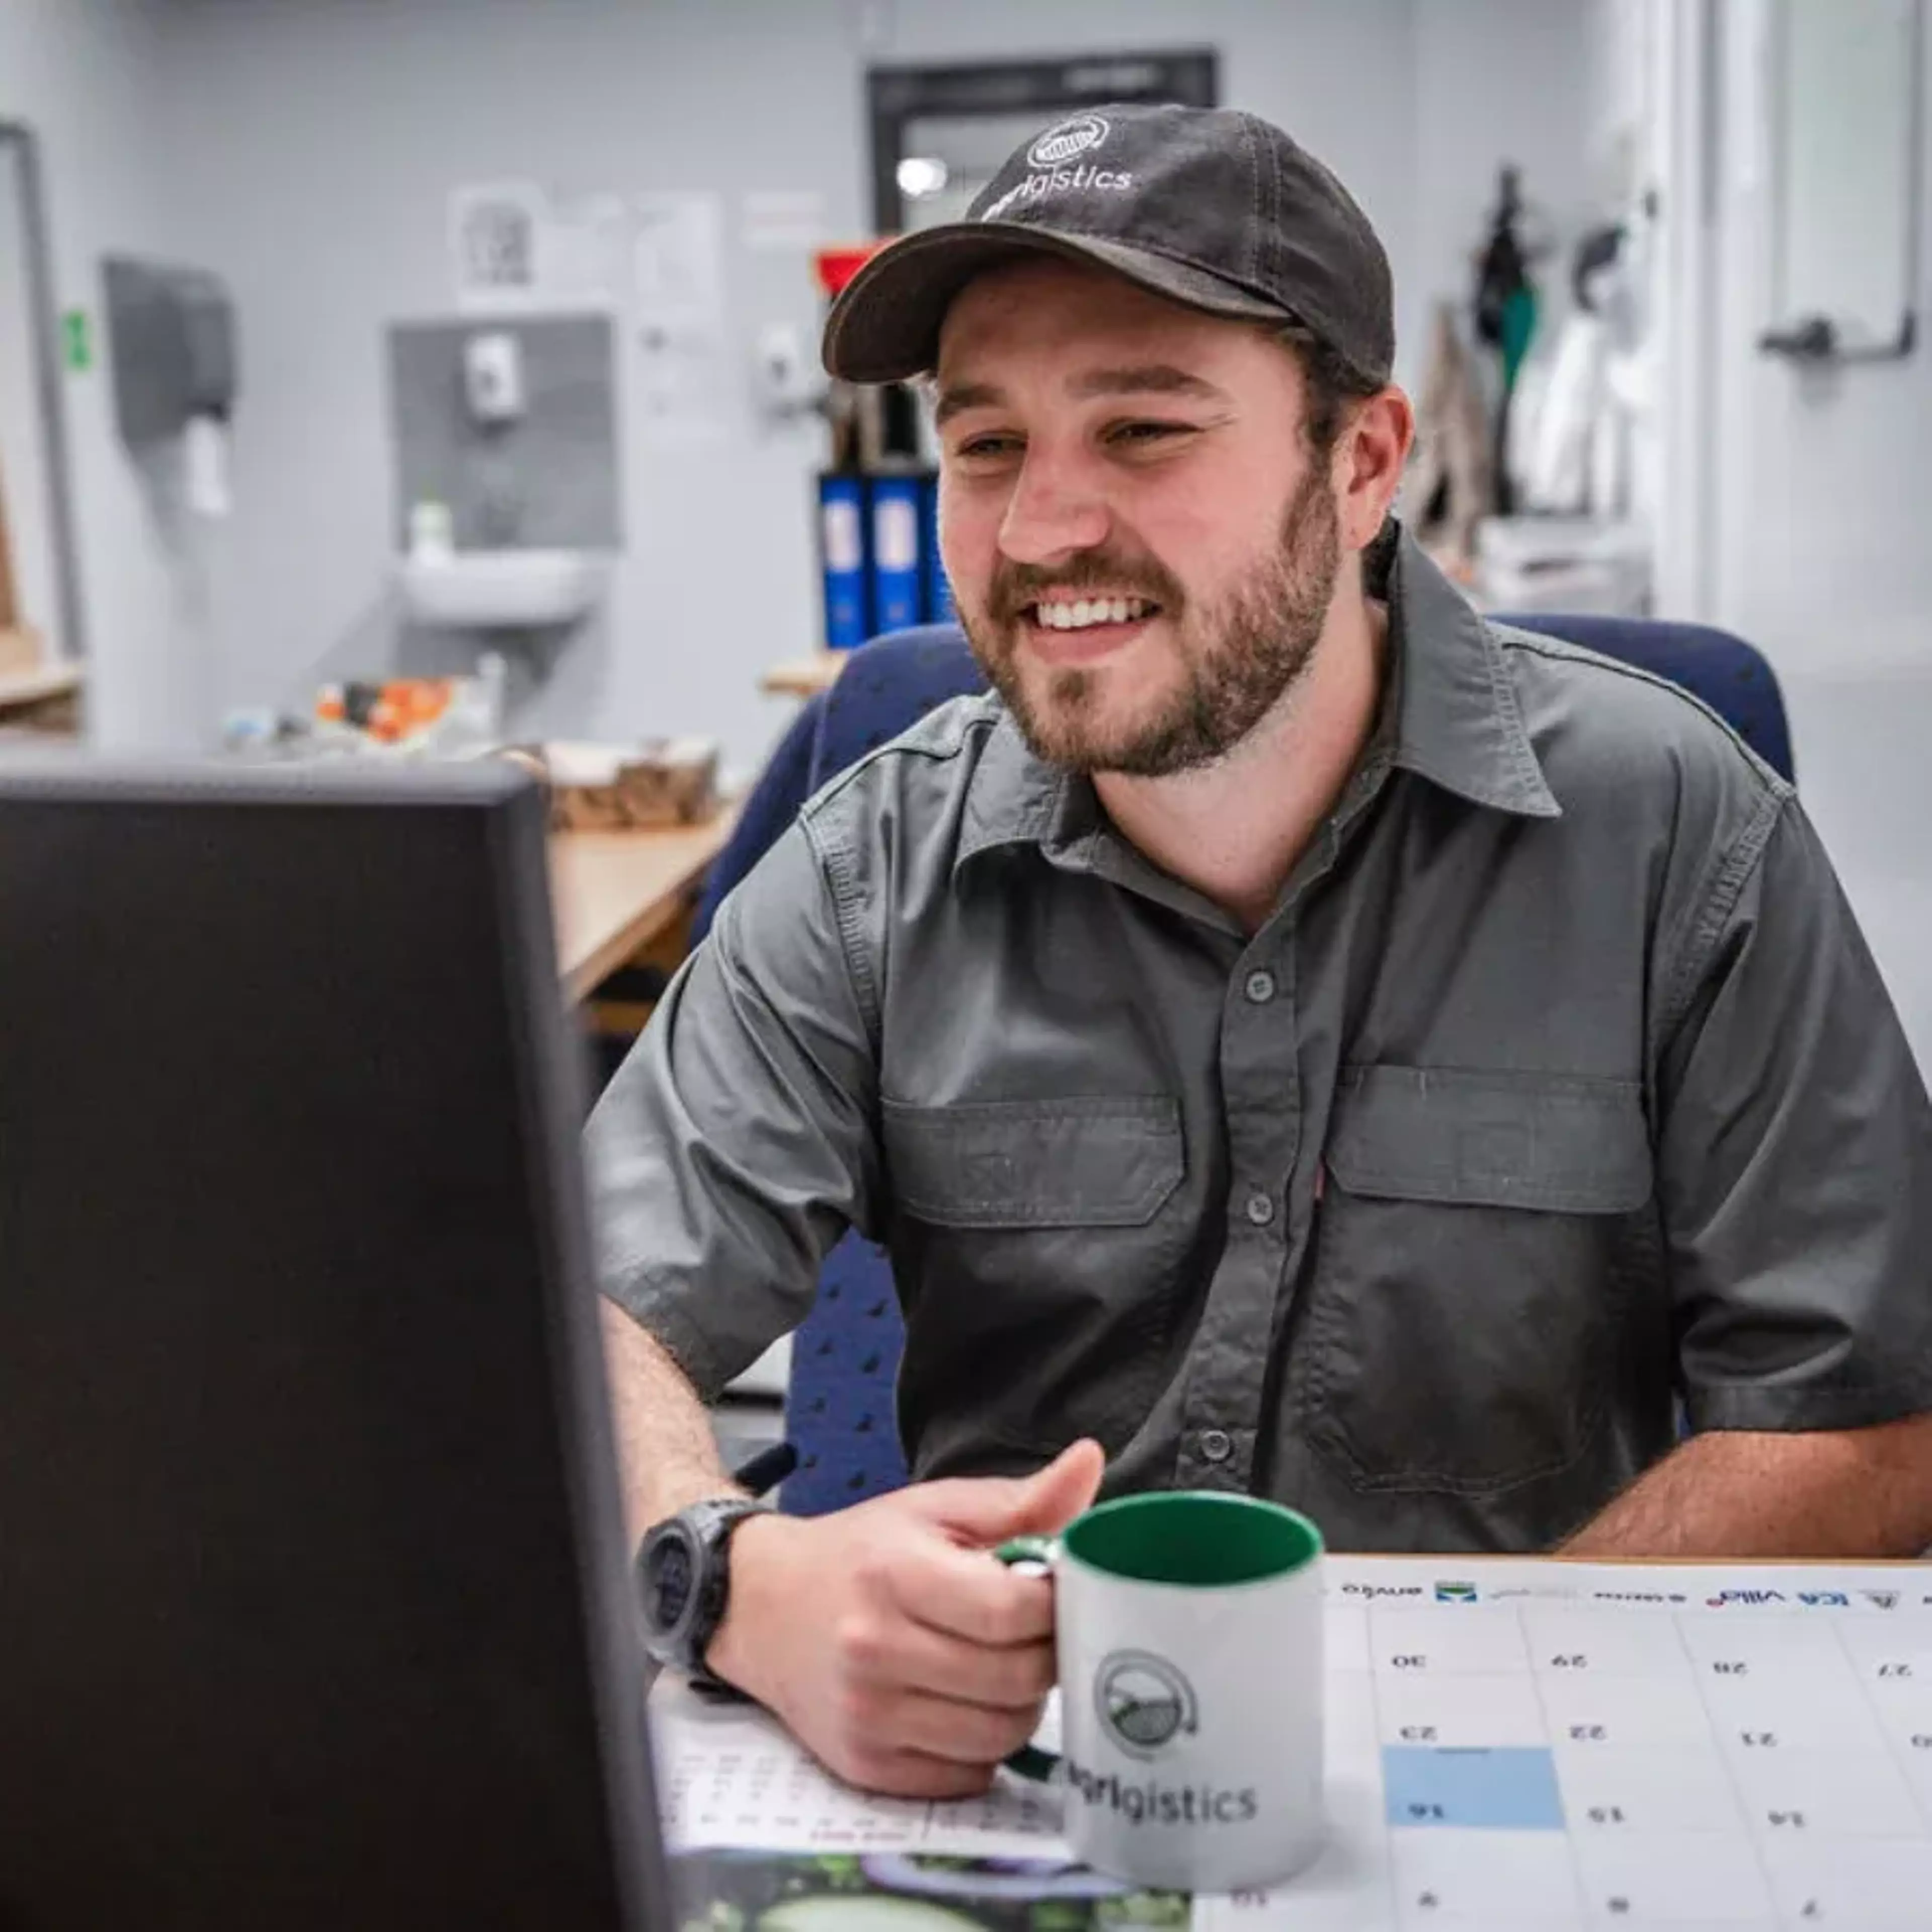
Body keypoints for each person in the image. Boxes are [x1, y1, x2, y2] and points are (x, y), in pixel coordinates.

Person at [589, 104, 1932, 1799]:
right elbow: (585, 1310)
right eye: (987, 444)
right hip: (1025, 1781)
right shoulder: (874, 863)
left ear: (1364, 465)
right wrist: (726, 1577)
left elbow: (1867, 1422)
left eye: (1143, 429)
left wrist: (1448, 1705)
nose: (1037, 531)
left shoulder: (1680, 831)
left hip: (1528, 1764)